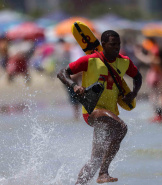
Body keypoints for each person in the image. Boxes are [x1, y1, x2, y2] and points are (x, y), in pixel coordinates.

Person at [57, 30, 142, 184]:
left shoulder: (124, 61)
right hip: (91, 110)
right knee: (121, 127)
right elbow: (62, 73)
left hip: (109, 112)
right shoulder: (90, 60)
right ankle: (104, 173)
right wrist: (74, 86)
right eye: (112, 45)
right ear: (103, 45)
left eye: (118, 44)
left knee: (95, 160)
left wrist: (134, 93)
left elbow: (137, 76)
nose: (116, 48)